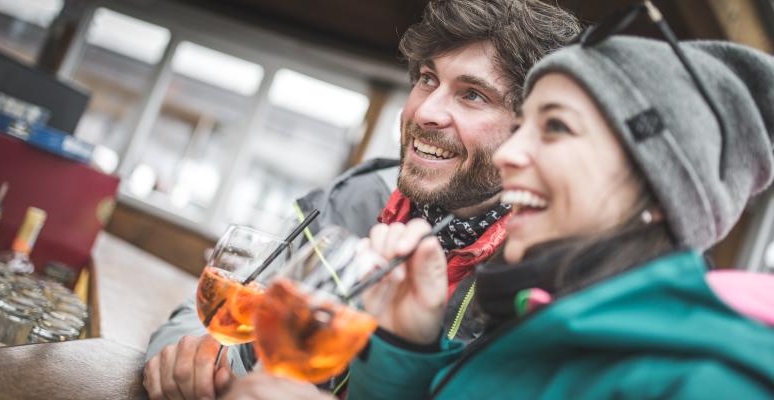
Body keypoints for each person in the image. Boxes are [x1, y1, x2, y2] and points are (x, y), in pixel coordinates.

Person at [219, 14, 774, 400]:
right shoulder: (540, 313)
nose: (509, 154)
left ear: (659, 188)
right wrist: (407, 347)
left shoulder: (709, 381)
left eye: (554, 127)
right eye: (426, 80)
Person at [143, 1, 580, 399]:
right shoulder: (352, 198)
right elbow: (210, 317)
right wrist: (192, 359)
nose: (426, 110)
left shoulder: (551, 281)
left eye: (472, 94)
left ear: (531, 130)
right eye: (428, 79)